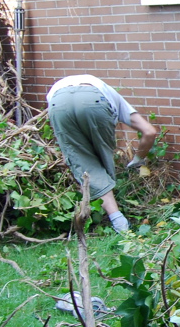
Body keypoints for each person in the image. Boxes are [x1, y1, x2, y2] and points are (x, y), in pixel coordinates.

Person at [46, 75, 158, 232]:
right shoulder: (117, 100)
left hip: (58, 102)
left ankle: (114, 218)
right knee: (104, 162)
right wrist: (138, 159)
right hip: (95, 100)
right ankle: (121, 224)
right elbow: (150, 132)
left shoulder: (63, 87)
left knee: (85, 164)